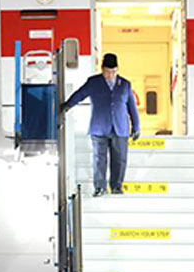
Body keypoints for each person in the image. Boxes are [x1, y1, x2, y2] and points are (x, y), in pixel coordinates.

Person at [58, 53, 140, 197]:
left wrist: (136, 127)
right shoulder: (94, 82)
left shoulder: (125, 85)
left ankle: (116, 186)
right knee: (99, 159)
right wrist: (68, 105)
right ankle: (100, 187)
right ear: (102, 69)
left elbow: (132, 107)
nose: (110, 75)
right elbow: (80, 94)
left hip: (120, 128)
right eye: (108, 72)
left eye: (114, 72)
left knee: (120, 160)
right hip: (99, 127)